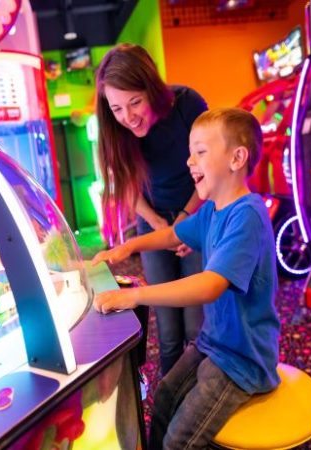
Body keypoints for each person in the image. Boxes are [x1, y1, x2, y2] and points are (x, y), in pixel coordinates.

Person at [92, 108, 281, 449]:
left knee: (180, 440)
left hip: (242, 361)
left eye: (201, 152)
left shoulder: (247, 215)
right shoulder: (212, 210)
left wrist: (134, 296)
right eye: (190, 152)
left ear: (237, 158)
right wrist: (125, 248)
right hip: (214, 343)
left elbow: (209, 285)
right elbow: (172, 236)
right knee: (163, 397)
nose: (189, 161)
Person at [96, 43, 207, 374]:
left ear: (152, 89)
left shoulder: (187, 104)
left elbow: (210, 169)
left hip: (198, 212)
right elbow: (127, 187)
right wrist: (160, 225)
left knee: (195, 323)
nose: (128, 117)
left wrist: (186, 222)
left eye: (135, 102)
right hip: (153, 218)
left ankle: (197, 392)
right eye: (116, 108)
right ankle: (169, 395)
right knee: (167, 328)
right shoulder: (116, 128)